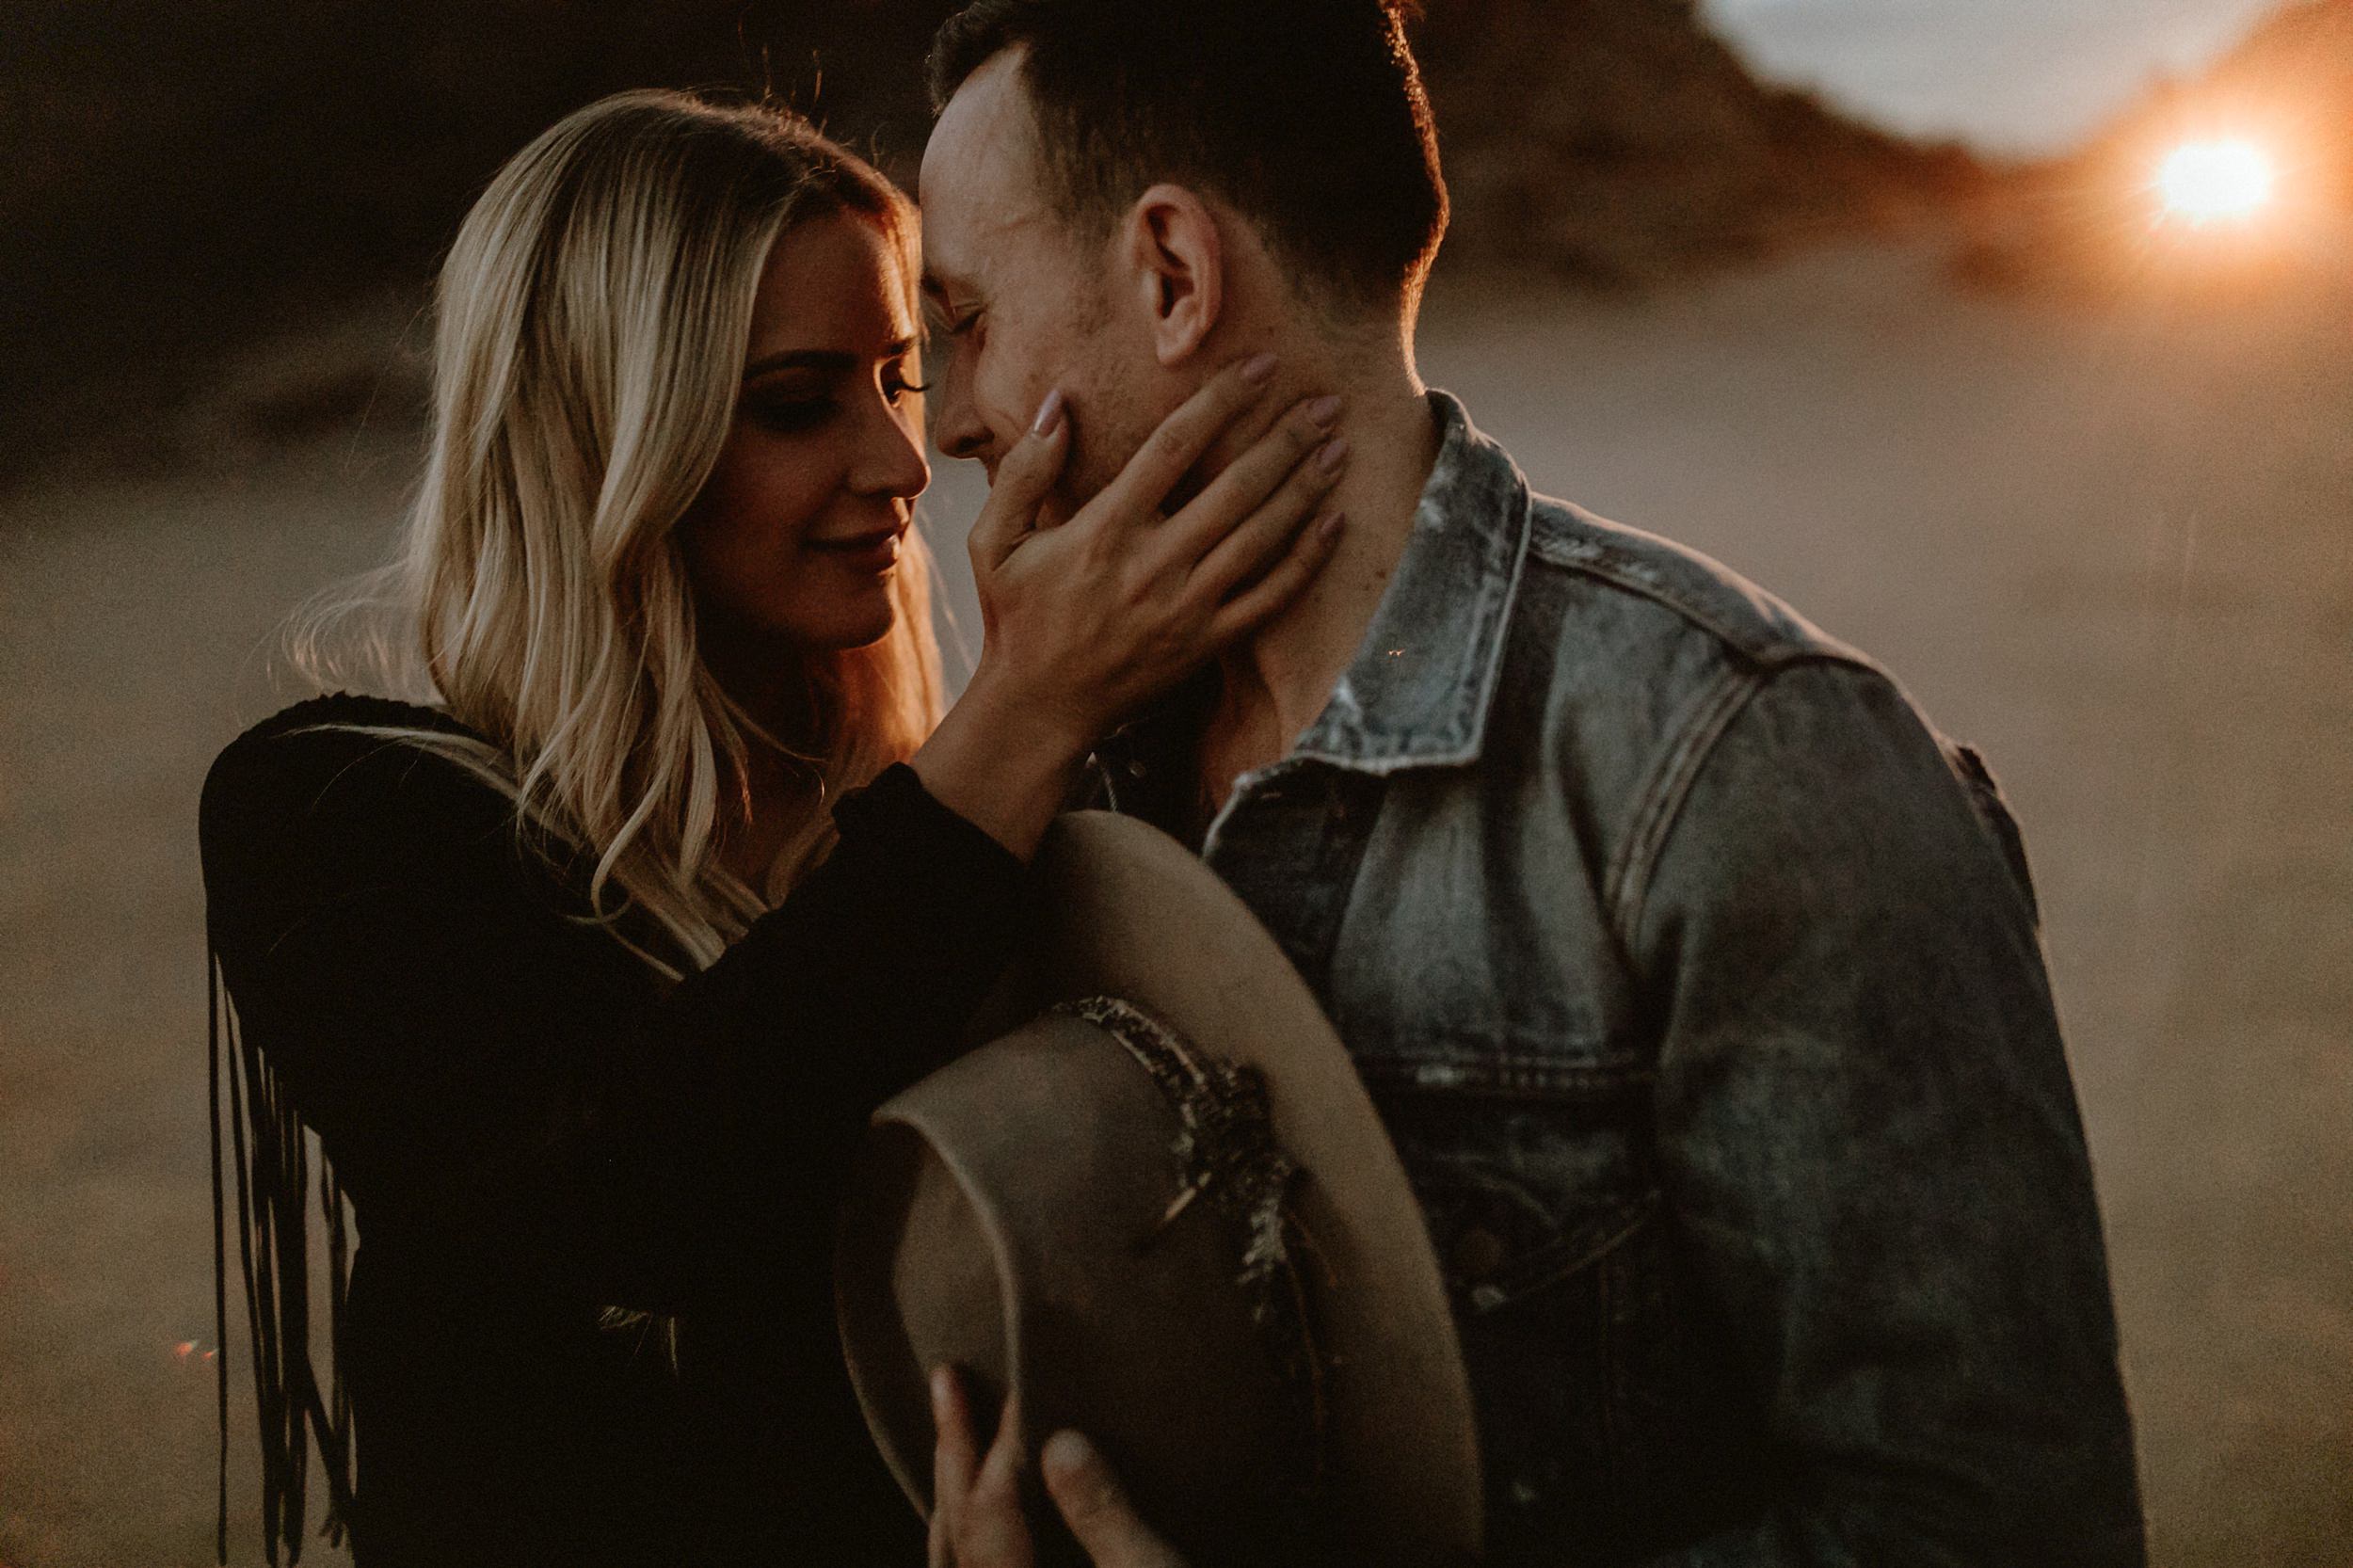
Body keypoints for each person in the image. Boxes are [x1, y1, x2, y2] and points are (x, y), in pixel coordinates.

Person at [909, 3, 2150, 1565]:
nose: (952, 422)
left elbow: (1996, 1531)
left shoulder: (1735, 767)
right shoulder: (1065, 754)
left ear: (1172, 275)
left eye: (966, 320)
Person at [198, 89, 1352, 1568]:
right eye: (802, 402)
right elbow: (641, 1182)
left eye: (899, 378)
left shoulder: (965, 826)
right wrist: (1027, 709)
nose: (903, 464)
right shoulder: (338, 815)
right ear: (603, 437)